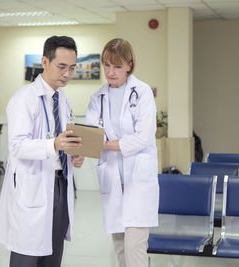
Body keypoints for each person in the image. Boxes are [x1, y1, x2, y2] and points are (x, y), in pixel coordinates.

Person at [0, 36, 85, 267]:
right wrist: (54, 145)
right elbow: (17, 146)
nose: (67, 74)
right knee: (27, 255)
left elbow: (63, 139)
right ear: (45, 61)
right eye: (61, 67)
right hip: (32, 186)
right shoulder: (24, 99)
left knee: (53, 255)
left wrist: (73, 154)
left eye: (72, 68)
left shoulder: (62, 100)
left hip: (59, 185)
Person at [85, 38, 159, 267]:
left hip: (138, 180)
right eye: (106, 65)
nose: (110, 71)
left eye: (117, 66)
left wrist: (106, 144)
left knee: (134, 248)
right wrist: (82, 149)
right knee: (120, 249)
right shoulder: (97, 97)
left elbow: (143, 137)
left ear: (129, 65)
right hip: (113, 178)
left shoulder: (142, 92)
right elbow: (90, 135)